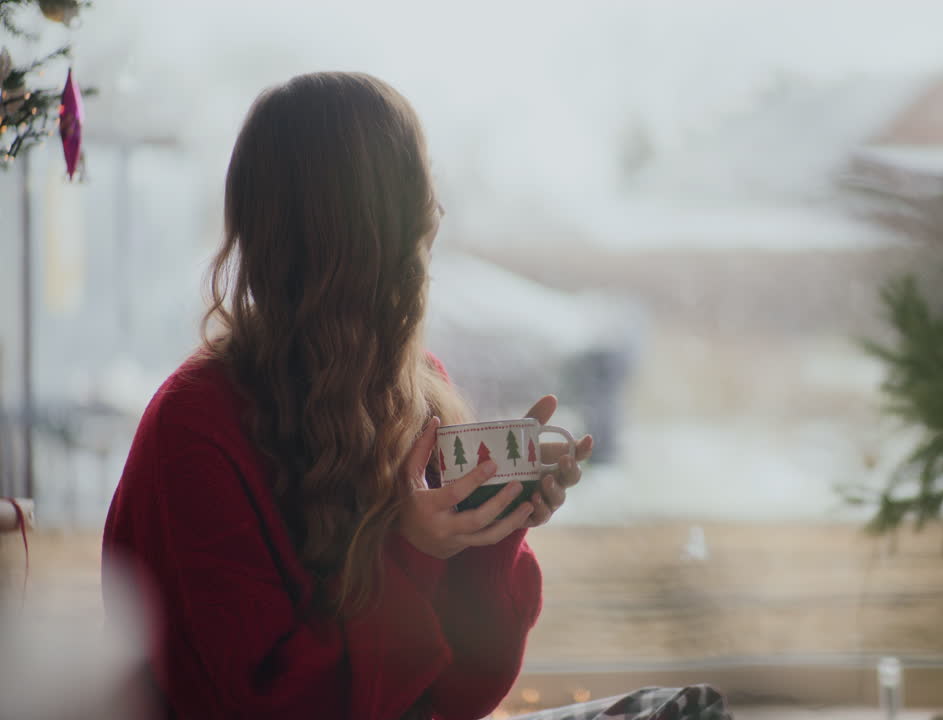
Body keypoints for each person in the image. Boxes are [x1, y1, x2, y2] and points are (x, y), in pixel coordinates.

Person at [101, 72, 730, 720]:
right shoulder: (195, 430)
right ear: (368, 229)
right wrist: (413, 552)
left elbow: (465, 695)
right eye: (420, 183)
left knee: (689, 711)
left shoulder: (409, 389)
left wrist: (489, 528)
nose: (438, 214)